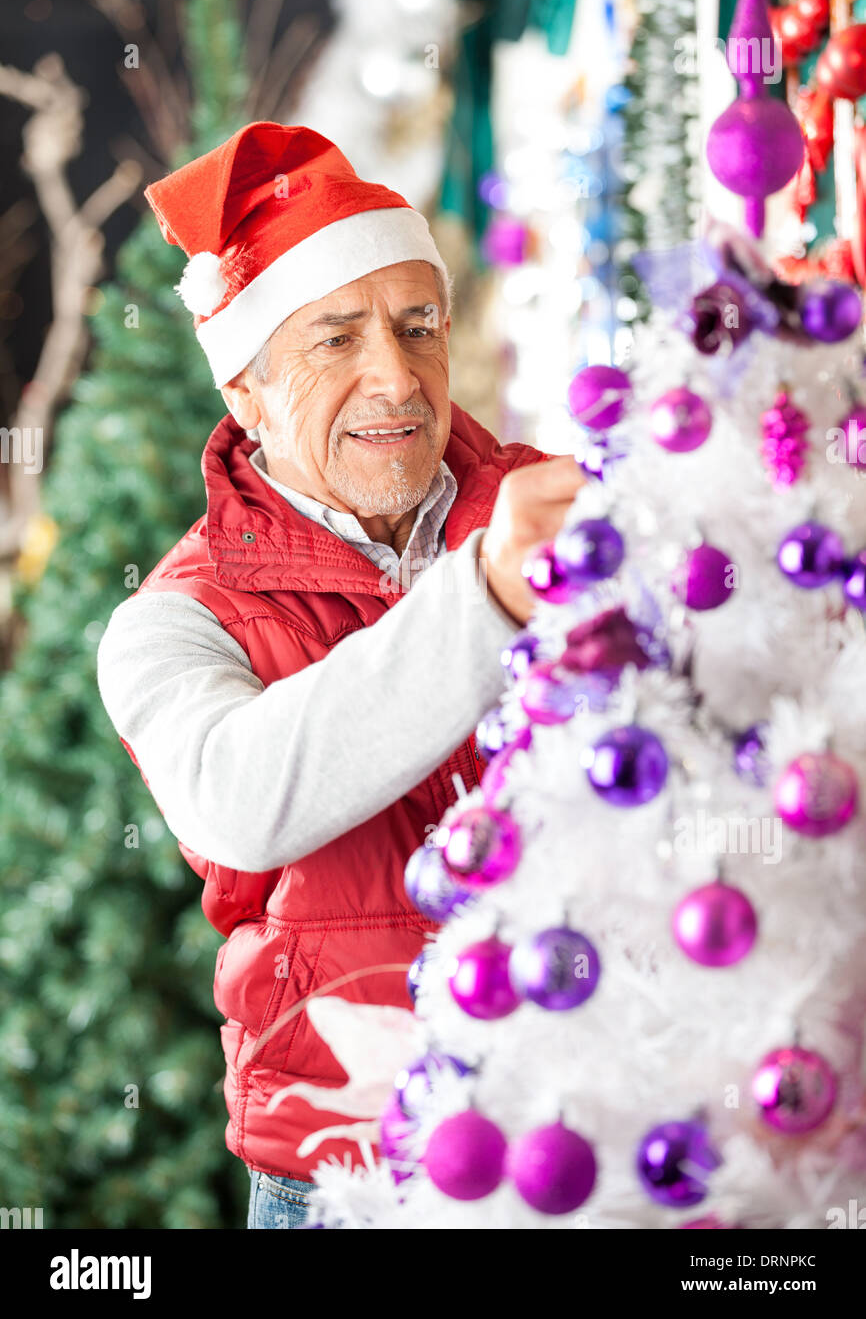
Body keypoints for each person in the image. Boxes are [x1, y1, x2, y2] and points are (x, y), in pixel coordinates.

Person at [96, 122, 586, 1228]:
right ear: (246, 392)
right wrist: (489, 593)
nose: (395, 376)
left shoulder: (554, 507)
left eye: (420, 326)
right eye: (332, 338)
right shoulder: (173, 619)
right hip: (349, 1171)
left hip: (585, 1126)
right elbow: (241, 799)